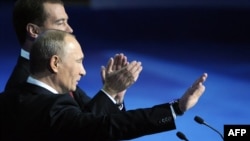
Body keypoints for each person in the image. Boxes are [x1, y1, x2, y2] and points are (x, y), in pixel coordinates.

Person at [0, 29, 208, 141]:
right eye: (79, 61)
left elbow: (93, 124)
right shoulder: (53, 107)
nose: (83, 71)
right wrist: (177, 108)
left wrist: (116, 99)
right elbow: (99, 129)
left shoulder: (10, 96)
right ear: (55, 63)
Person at [5, 0, 127, 109]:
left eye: (66, 21)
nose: (69, 30)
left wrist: (116, 98)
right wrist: (109, 91)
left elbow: (91, 118)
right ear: (34, 31)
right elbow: (81, 128)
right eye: (60, 22)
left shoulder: (58, 69)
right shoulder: (20, 86)